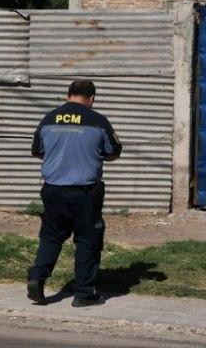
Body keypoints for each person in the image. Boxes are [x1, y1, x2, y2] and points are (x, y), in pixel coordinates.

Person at [26, 79, 122, 307]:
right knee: (88, 239)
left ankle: (37, 279)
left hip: (53, 191)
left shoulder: (49, 119)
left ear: (68, 95)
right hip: (85, 193)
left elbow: (38, 151)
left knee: (51, 236)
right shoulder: (98, 121)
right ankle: (84, 293)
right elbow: (113, 152)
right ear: (92, 98)